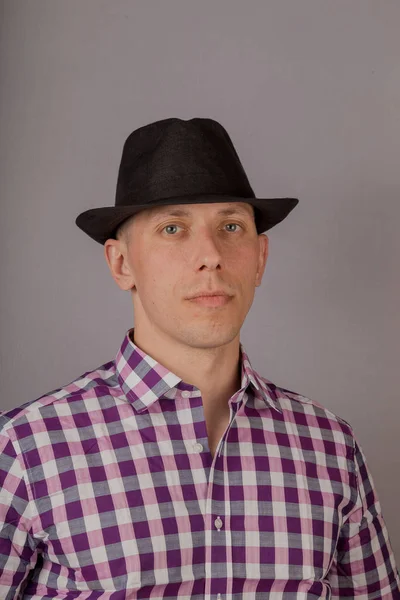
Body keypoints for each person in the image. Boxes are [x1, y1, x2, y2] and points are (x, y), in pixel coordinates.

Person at [0, 117, 399, 600]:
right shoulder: (25, 450)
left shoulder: (330, 448)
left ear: (260, 259)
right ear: (121, 264)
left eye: (231, 227)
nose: (210, 255)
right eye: (173, 229)